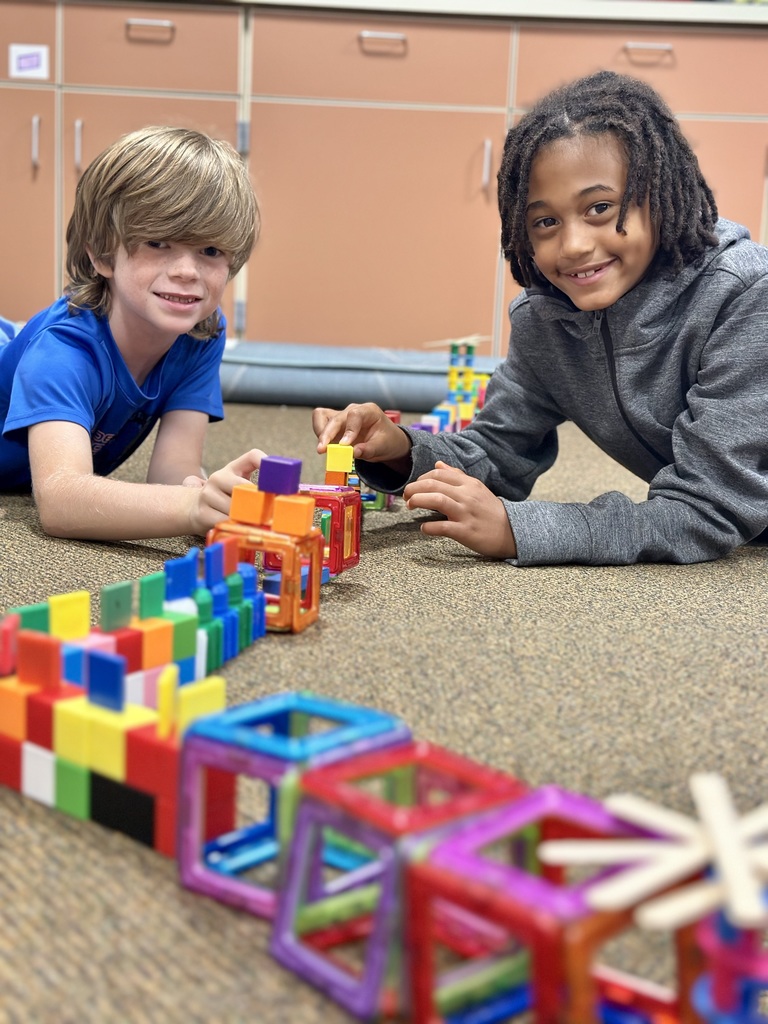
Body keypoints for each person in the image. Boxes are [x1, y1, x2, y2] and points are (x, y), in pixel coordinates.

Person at [314, 70, 768, 566]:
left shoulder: (744, 295)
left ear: (659, 196)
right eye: (546, 222)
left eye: (599, 207)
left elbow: (705, 510)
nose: (573, 246)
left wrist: (521, 530)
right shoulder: (545, 319)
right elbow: (498, 453)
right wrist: (401, 450)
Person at [0, 125, 266, 541]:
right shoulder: (62, 352)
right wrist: (190, 508)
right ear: (102, 254)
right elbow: (60, 500)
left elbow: (172, 471)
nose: (186, 271)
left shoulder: (201, 334)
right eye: (157, 242)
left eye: (210, 250)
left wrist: (209, 497)